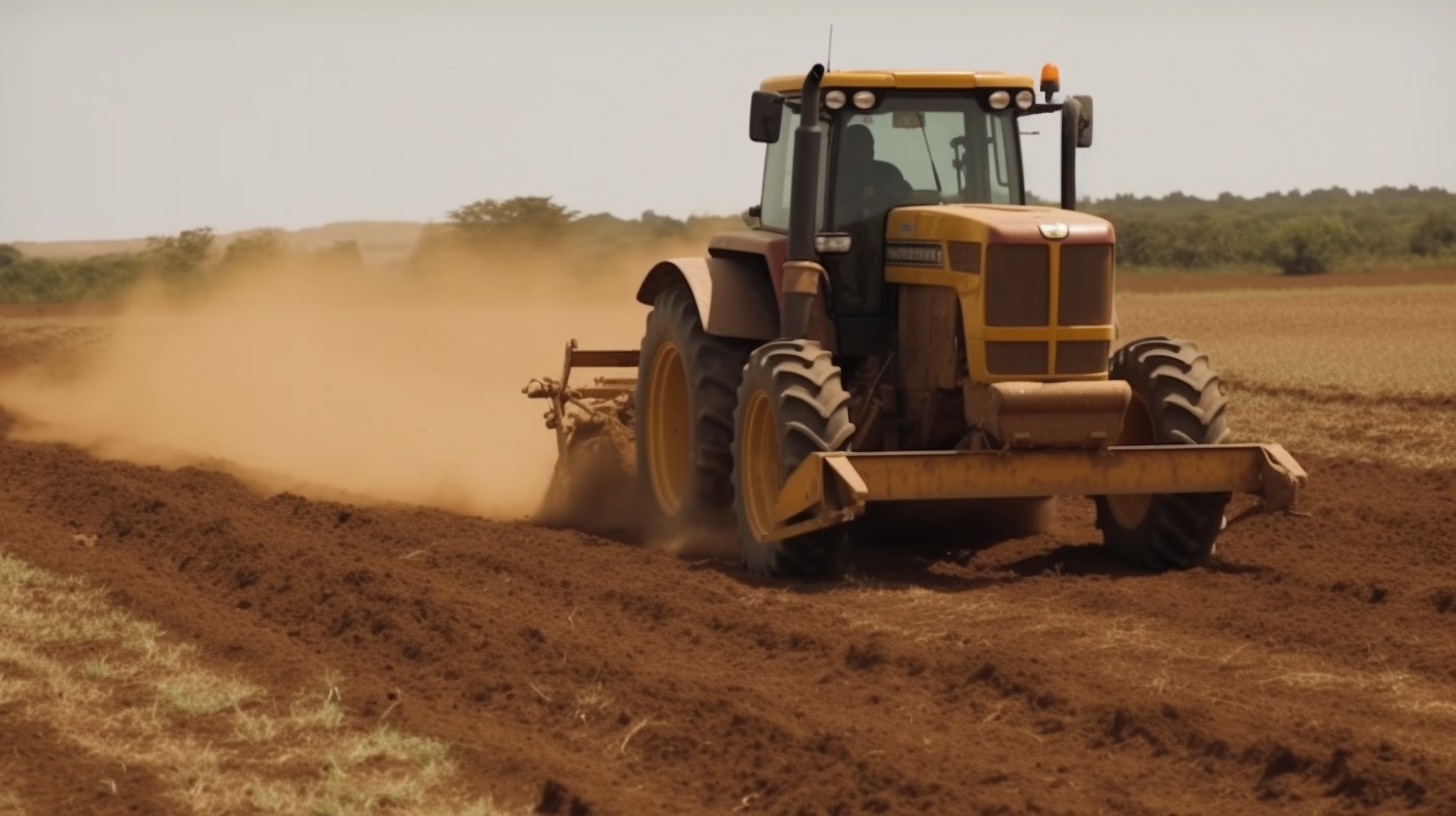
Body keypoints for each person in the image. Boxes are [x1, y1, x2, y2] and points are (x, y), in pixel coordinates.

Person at [836, 123, 911, 221]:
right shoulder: (834, 175)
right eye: (858, 150)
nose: (868, 152)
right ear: (845, 149)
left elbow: (905, 198)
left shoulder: (888, 172)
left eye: (870, 145)